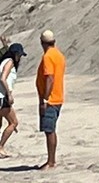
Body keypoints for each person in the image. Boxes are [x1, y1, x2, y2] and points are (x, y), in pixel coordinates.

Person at [0, 42, 26, 160]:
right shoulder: (10, 62)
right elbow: (3, 78)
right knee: (14, 123)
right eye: (19, 55)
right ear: (15, 54)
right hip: (1, 96)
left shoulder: (2, 61)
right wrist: (9, 94)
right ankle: (0, 147)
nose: (20, 58)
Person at [36, 30, 67, 171]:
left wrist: (45, 98)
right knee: (50, 129)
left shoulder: (48, 56)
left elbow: (50, 77)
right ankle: (51, 160)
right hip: (58, 97)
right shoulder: (59, 55)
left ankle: (51, 161)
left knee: (49, 130)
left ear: (42, 43)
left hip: (51, 99)